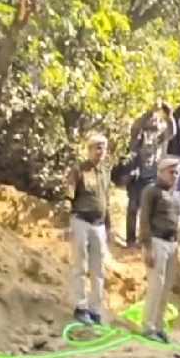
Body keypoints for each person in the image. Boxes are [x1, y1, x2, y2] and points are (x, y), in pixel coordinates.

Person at [67, 133, 111, 326]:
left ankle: (95, 310)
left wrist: (109, 227)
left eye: (103, 147)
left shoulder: (105, 171)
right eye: (97, 147)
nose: (100, 151)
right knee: (80, 266)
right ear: (89, 149)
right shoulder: (79, 170)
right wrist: (67, 221)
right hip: (81, 221)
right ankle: (80, 306)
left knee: (98, 269)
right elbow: (68, 195)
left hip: (99, 225)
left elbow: (106, 201)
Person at [138, 157, 180, 343]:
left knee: (166, 287)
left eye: (177, 172)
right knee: (156, 285)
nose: (175, 175)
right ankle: (148, 327)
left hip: (172, 243)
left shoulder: (176, 196)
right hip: (157, 241)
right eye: (171, 172)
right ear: (161, 172)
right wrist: (147, 247)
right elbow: (144, 219)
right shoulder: (151, 191)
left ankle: (159, 325)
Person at [126, 103, 176, 247]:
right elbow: (136, 126)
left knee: (149, 209)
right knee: (133, 208)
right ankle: (130, 240)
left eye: (156, 119)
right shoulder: (138, 136)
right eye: (152, 119)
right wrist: (150, 112)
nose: (154, 121)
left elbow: (171, 132)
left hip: (151, 177)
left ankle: (145, 239)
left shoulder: (158, 138)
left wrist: (169, 115)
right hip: (136, 176)